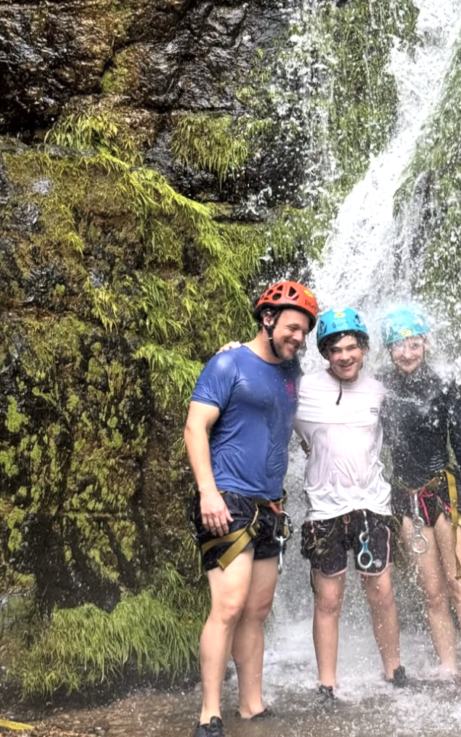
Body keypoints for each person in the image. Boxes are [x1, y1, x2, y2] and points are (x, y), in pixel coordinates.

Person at [184, 280, 318, 737]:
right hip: (228, 499)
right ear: (267, 318)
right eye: (292, 328)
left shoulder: (292, 374)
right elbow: (195, 428)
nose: (297, 338)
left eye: (303, 332)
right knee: (229, 604)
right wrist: (207, 492)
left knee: (257, 608)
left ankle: (251, 705)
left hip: (271, 505)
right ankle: (209, 713)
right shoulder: (228, 362)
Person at [295, 307, 408, 701]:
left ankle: (394, 670)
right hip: (324, 511)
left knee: (382, 592)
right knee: (328, 598)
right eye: (336, 349)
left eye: (352, 347)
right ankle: (327, 682)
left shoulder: (380, 390)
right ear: (325, 353)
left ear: (363, 348)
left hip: (371, 507)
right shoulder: (303, 388)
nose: (345, 356)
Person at [379, 307, 461, 698]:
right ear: (388, 349)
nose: (407, 353)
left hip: (445, 495)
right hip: (407, 499)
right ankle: (449, 666)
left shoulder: (446, 383)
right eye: (398, 346)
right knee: (432, 593)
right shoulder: (379, 387)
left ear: (425, 343)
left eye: (413, 344)